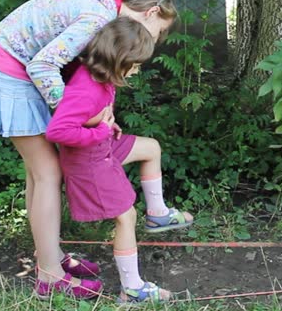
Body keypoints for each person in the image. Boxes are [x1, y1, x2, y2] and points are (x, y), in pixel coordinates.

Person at [0, 0, 177, 299]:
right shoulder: (97, 18)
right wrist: (80, 116)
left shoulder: (105, 4)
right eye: (158, 31)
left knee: (40, 172)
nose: (155, 39)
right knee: (47, 173)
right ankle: (49, 277)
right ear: (151, 12)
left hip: (12, 67)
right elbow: (43, 65)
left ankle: (49, 257)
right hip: (7, 72)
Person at [46, 16, 194, 304]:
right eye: (135, 65)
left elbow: (89, 117)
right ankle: (133, 289)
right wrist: (98, 130)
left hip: (104, 145)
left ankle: (159, 213)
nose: (137, 71)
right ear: (117, 59)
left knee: (151, 148)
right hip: (89, 160)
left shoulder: (102, 77)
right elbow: (59, 130)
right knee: (126, 217)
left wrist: (105, 126)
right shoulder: (85, 88)